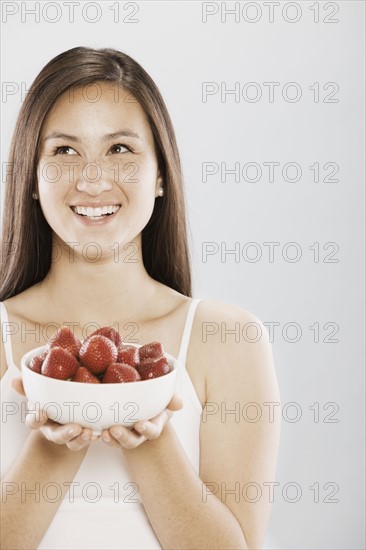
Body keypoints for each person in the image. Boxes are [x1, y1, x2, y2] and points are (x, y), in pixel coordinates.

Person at [0, 46, 281, 550]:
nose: (92, 178)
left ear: (159, 176)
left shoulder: (229, 340)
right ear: (32, 180)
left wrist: (149, 436)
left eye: (120, 149)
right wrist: (53, 443)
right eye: (64, 151)